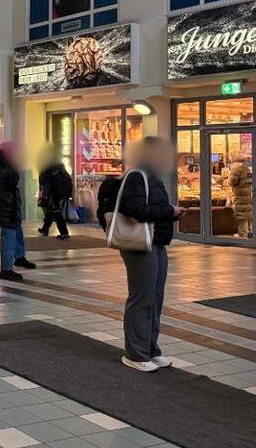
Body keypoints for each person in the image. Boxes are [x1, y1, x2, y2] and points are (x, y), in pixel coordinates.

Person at [112, 137, 184, 372]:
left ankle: (151, 348)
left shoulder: (153, 177)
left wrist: (170, 213)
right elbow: (136, 210)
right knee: (142, 298)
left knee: (155, 299)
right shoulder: (136, 176)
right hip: (139, 245)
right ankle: (135, 353)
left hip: (157, 243)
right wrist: (169, 211)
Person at [0, 141, 35, 281]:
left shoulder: (5, 165)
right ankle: (6, 270)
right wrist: (10, 202)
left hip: (10, 209)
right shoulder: (4, 168)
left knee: (17, 233)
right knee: (8, 238)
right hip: (6, 210)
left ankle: (19, 257)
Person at [37, 144, 73, 239]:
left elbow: (43, 178)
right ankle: (45, 229)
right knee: (50, 210)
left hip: (53, 192)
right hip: (58, 192)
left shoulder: (50, 166)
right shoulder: (60, 165)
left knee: (56, 211)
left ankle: (64, 232)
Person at [228, 154, 253, 238]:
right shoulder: (247, 169)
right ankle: (250, 232)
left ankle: (243, 234)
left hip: (240, 195)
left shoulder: (236, 170)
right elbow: (251, 181)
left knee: (242, 216)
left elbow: (232, 182)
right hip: (248, 195)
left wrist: (227, 179)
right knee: (248, 215)